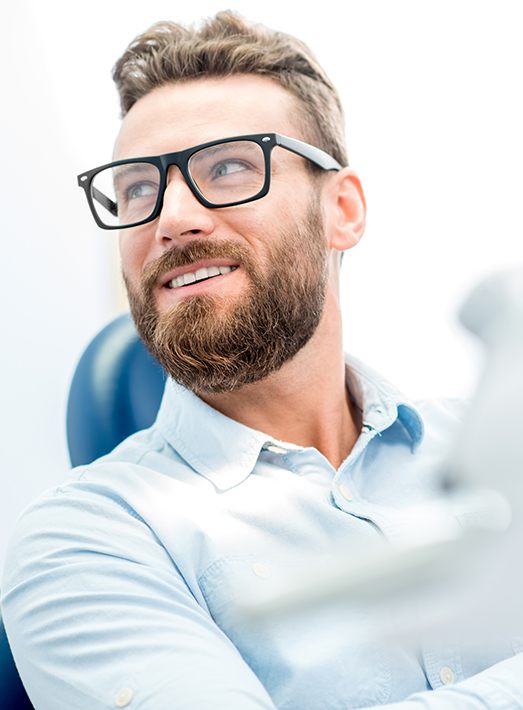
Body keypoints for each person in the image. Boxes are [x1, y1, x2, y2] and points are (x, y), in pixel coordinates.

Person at [1, 11, 522, 710]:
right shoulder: (83, 541)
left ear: (342, 208)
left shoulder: (500, 461)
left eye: (228, 168)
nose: (171, 217)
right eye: (137, 189)